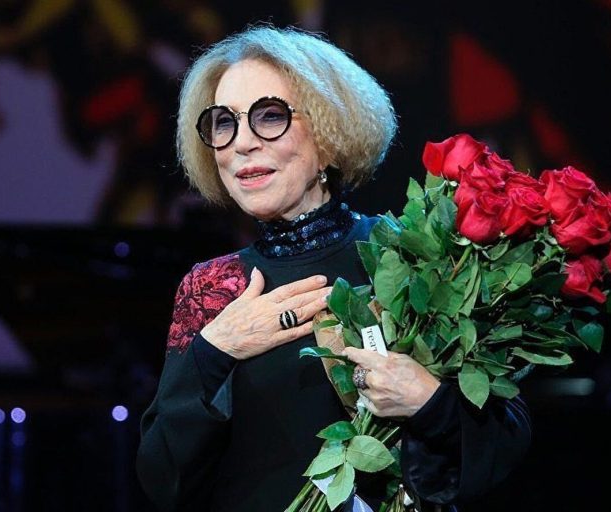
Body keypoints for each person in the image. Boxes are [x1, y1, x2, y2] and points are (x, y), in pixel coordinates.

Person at [137, 25, 531, 512]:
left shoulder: (411, 255)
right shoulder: (212, 289)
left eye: (269, 116)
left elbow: (505, 447)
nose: (241, 143)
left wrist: (429, 402)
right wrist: (214, 350)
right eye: (223, 123)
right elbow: (164, 482)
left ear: (328, 134)